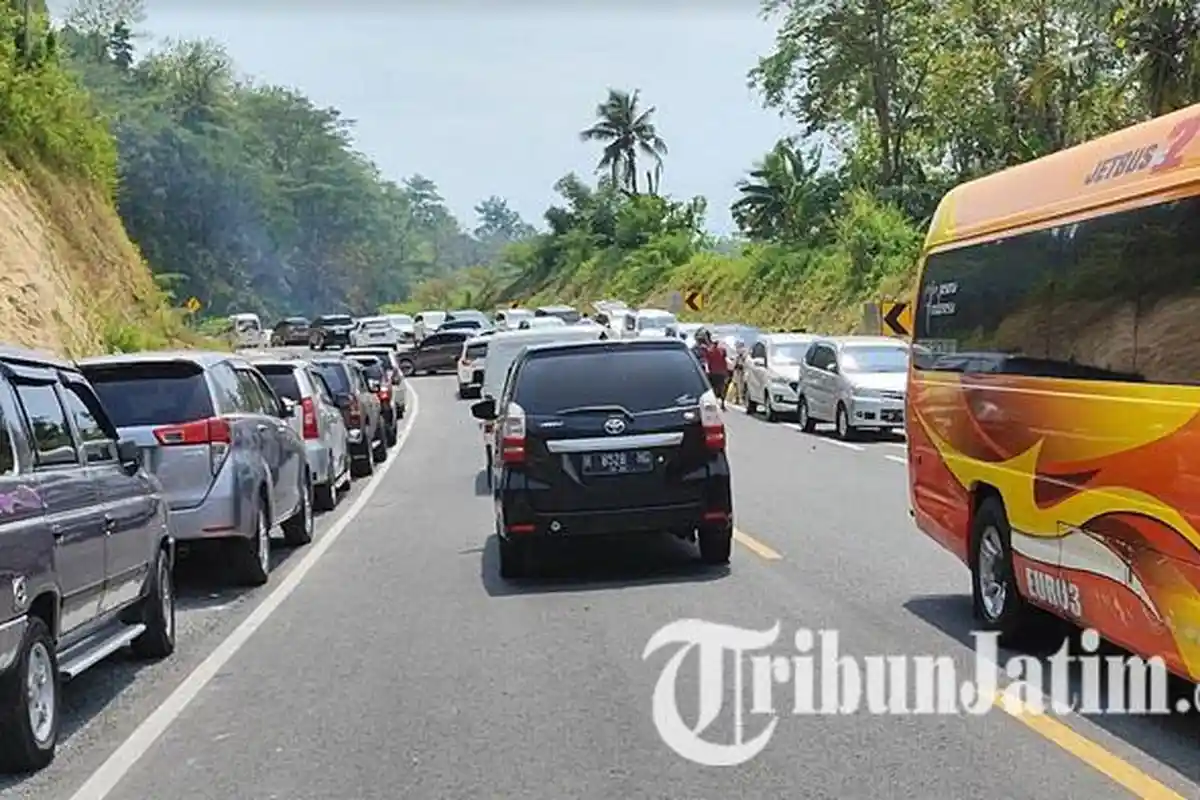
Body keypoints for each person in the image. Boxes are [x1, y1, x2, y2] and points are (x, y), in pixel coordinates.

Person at [698, 331, 730, 411]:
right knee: (722, 388)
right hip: (721, 372)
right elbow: (725, 359)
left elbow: (706, 360)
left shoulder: (709, 350)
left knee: (713, 388)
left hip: (713, 372)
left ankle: (716, 403)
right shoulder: (722, 349)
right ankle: (722, 403)